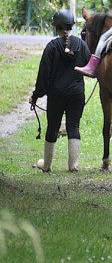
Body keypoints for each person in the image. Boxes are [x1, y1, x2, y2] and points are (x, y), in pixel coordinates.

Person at [30, 9, 91, 172]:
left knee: (52, 127)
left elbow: (43, 76)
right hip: (77, 94)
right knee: (74, 126)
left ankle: (47, 166)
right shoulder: (82, 45)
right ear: (72, 25)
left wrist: (36, 96)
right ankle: (73, 166)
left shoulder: (51, 47)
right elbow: (91, 68)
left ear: (56, 27)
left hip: (56, 94)